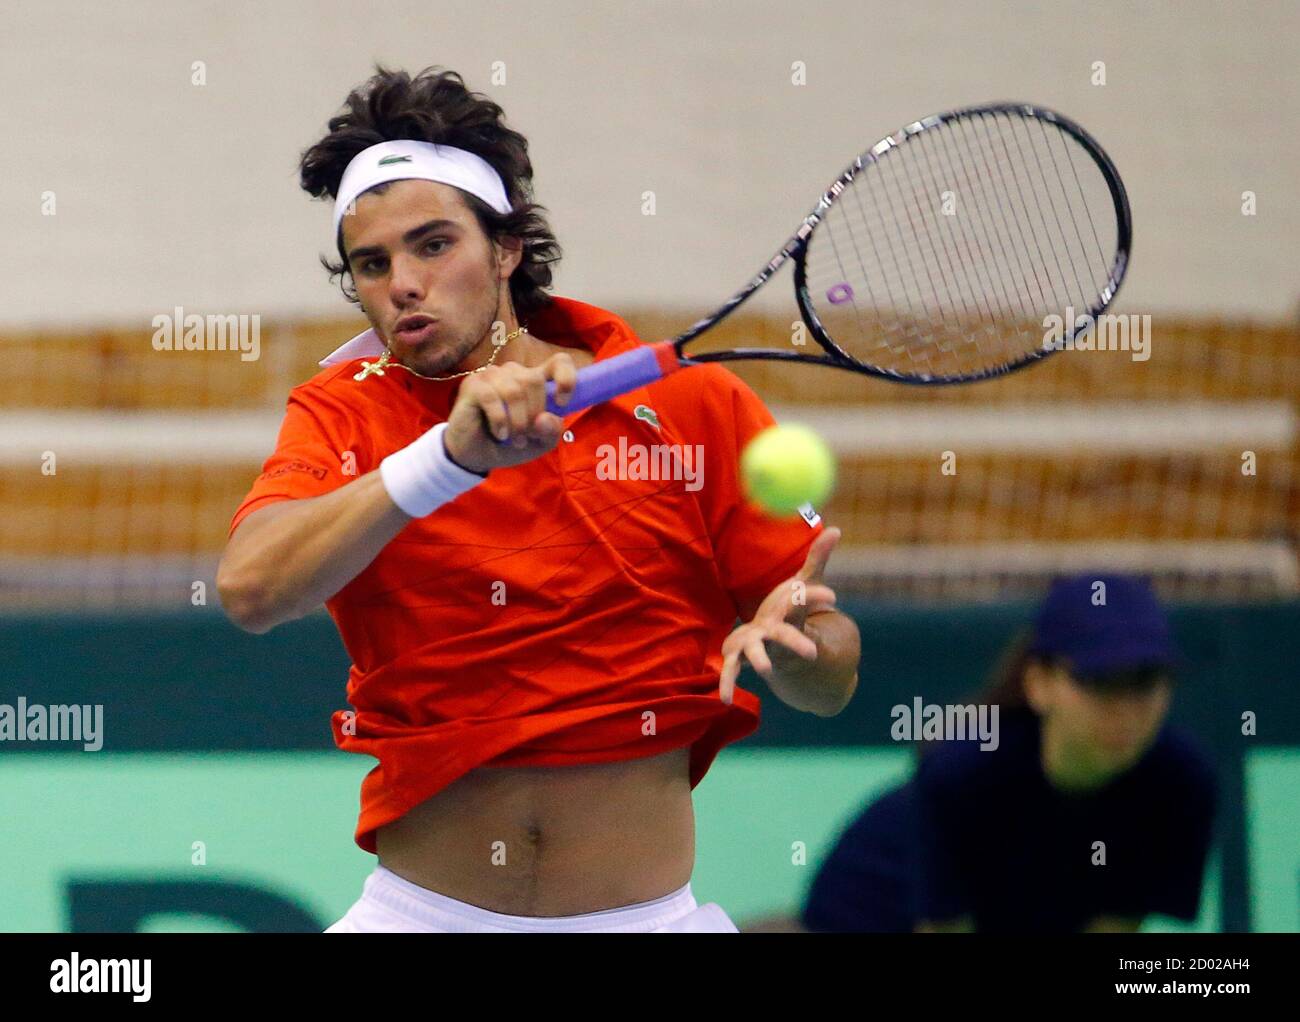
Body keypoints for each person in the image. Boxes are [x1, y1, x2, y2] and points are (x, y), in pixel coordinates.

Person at [216, 66, 861, 933]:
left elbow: (834, 677)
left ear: (509, 249)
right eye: (372, 265)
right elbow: (251, 591)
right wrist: (445, 458)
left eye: (434, 244)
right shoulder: (343, 413)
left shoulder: (690, 407)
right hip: (421, 916)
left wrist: (800, 652)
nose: (402, 283)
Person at [800, 574, 1217, 933]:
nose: (1126, 711)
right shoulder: (964, 773)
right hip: (865, 914)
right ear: (1040, 683)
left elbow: (1116, 924)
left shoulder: (1181, 785)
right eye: (1102, 680)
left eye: (1146, 682)